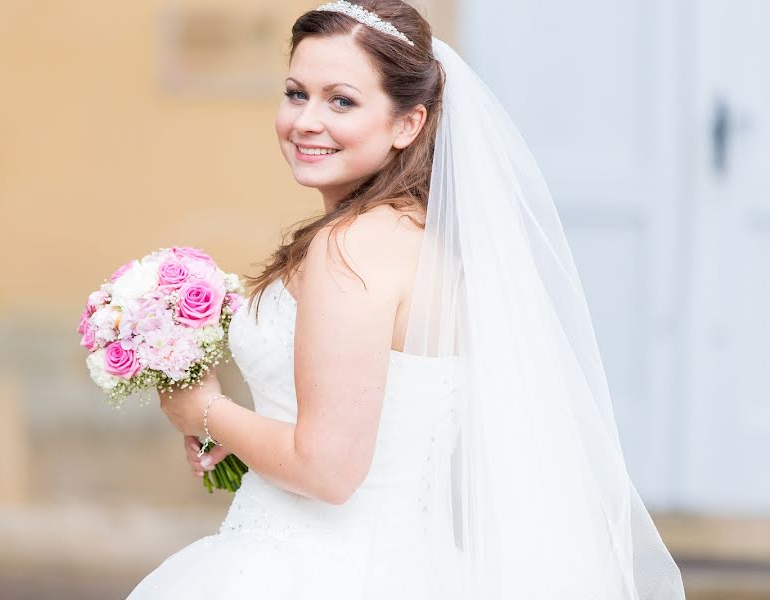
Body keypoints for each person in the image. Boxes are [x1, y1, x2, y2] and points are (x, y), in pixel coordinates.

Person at [127, 1, 687, 598]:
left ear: (407, 124)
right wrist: (242, 438)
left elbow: (328, 469)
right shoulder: (419, 236)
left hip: (315, 569)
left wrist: (204, 411)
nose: (307, 121)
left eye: (341, 100)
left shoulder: (351, 248)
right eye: (296, 93)